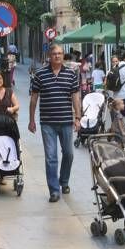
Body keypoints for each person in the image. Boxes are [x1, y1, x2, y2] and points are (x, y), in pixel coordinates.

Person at [29, 45, 81, 203]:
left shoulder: (71, 74)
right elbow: (34, 98)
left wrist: (78, 117)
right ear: (49, 56)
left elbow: (75, 97)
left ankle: (63, 181)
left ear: (63, 55)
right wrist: (31, 120)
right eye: (54, 54)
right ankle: (54, 190)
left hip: (66, 121)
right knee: (51, 157)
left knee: (69, 154)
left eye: (59, 53)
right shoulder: (40, 74)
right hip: (47, 123)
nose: (57, 56)